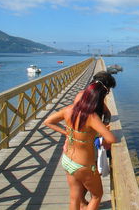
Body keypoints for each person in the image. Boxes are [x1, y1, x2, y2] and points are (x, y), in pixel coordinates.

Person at [44, 72, 117, 210]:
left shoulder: (69, 109)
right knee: (96, 196)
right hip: (84, 165)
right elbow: (111, 138)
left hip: (67, 160)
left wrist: (68, 134)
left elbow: (48, 121)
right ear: (99, 96)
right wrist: (103, 130)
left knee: (74, 199)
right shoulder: (91, 116)